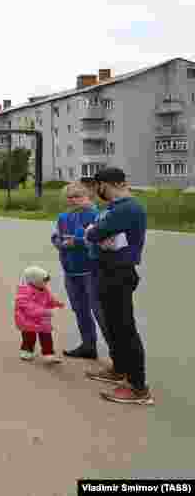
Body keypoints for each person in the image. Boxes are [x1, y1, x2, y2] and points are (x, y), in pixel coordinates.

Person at [84, 167, 152, 405]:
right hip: (107, 271)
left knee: (124, 329)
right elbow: (96, 232)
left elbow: (94, 233)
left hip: (119, 273)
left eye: (97, 186)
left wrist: (94, 232)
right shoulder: (114, 209)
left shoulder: (128, 208)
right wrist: (95, 232)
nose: (96, 190)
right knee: (114, 326)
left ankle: (138, 387)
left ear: (107, 184)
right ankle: (120, 369)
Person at [51, 182, 106, 359]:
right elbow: (55, 237)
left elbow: (102, 240)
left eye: (77, 196)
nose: (73, 200)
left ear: (87, 196)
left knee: (100, 312)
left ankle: (117, 354)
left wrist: (78, 242)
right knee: (80, 310)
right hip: (70, 270)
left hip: (91, 270)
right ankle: (88, 346)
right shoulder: (63, 217)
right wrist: (60, 243)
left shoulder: (96, 215)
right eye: (70, 197)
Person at [14, 266, 66, 364]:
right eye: (43, 282)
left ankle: (48, 354)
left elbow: (49, 299)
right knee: (29, 336)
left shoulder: (43, 289)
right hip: (28, 319)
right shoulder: (24, 292)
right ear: (34, 281)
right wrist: (44, 311)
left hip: (42, 319)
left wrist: (55, 303)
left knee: (46, 336)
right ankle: (27, 351)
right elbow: (28, 307)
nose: (46, 284)